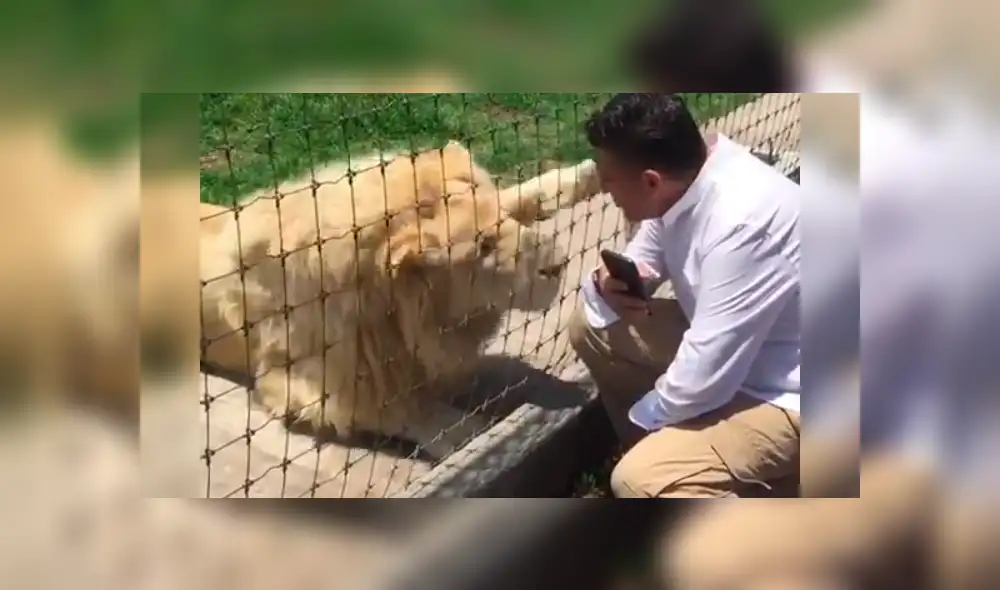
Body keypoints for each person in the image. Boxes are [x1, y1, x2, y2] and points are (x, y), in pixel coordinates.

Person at [568, 93, 802, 498]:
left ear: (650, 181)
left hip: (795, 396)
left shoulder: (740, 224)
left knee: (639, 480)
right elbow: (642, 257)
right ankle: (683, 461)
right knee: (589, 324)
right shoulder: (688, 182)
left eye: (609, 183)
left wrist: (645, 421)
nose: (606, 193)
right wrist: (611, 280)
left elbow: (704, 376)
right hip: (747, 359)